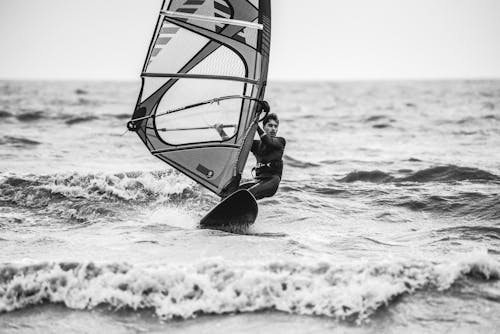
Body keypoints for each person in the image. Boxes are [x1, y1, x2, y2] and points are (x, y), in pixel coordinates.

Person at [240, 103, 285, 200]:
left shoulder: (280, 141)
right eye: (270, 125)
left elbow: (268, 141)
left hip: (272, 181)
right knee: (234, 190)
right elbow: (238, 146)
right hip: (258, 180)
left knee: (247, 194)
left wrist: (255, 123)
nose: (273, 129)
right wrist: (221, 131)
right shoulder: (256, 145)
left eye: (275, 126)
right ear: (264, 127)